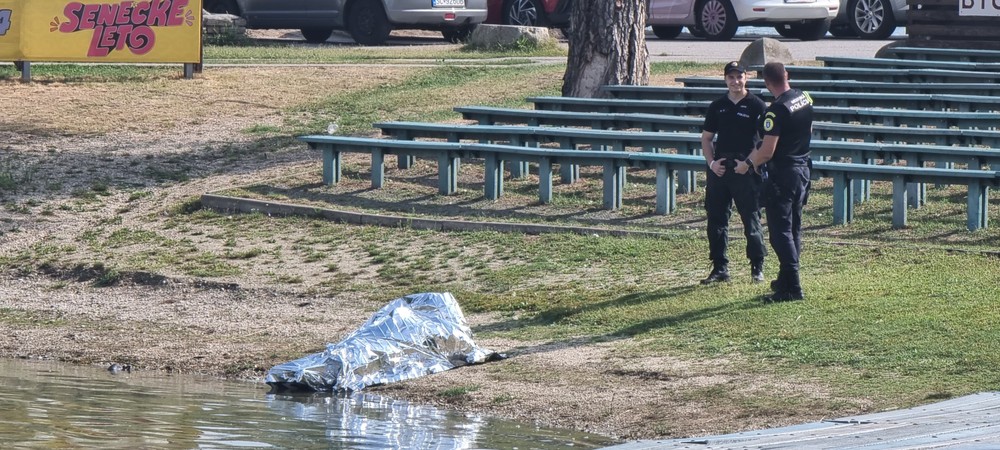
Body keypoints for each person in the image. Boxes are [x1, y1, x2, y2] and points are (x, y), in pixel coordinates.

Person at [735, 62, 814, 302]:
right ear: (787, 75)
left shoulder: (775, 111)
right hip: (803, 168)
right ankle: (786, 278)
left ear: (767, 83)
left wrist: (747, 165)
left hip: (784, 173)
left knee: (780, 233)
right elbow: (809, 129)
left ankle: (792, 287)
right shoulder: (804, 97)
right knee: (794, 228)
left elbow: (767, 151)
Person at [699, 61, 768, 285]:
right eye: (731, 77)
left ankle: (757, 267)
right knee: (716, 219)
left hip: (745, 170)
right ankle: (720, 267)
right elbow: (707, 138)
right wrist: (712, 163)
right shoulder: (717, 105)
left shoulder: (757, 105)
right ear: (725, 79)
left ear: (746, 78)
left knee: (751, 219)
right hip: (720, 170)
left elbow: (765, 141)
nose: (735, 81)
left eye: (739, 77)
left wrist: (748, 163)